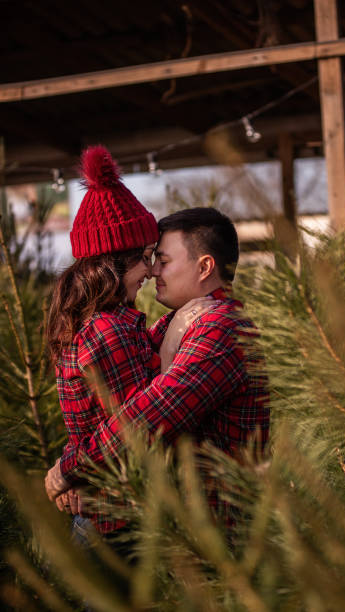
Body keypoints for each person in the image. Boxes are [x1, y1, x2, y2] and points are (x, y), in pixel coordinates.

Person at [45, 207, 270, 522]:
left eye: (163, 261)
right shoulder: (178, 323)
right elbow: (111, 400)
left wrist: (70, 470)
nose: (153, 272)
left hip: (218, 532)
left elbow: (151, 415)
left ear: (205, 266)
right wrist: (79, 475)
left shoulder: (222, 329)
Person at [46, 146, 213, 537]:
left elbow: (98, 422)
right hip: (121, 521)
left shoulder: (97, 322)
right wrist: (71, 473)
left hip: (105, 510)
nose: (153, 269)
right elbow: (136, 430)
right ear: (114, 262)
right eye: (145, 257)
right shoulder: (108, 331)